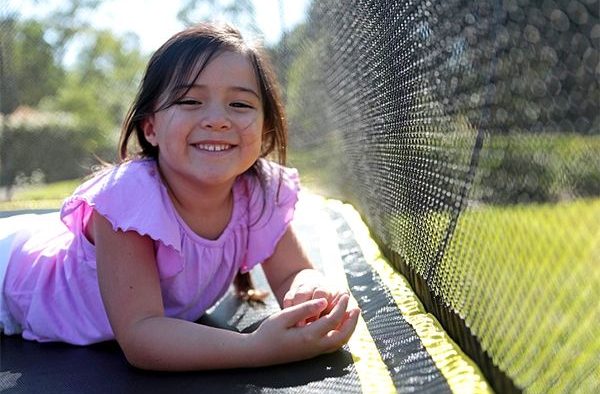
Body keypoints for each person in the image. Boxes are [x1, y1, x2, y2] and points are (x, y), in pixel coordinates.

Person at [0, 22, 360, 371]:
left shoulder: (260, 191)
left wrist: (310, 291)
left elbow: (293, 272)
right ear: (151, 127)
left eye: (240, 105)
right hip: (13, 282)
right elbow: (142, 334)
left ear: (265, 128)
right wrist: (256, 348)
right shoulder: (128, 201)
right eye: (190, 101)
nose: (217, 119)